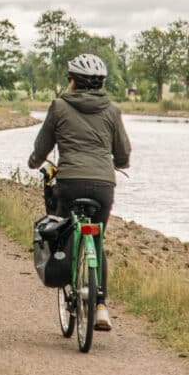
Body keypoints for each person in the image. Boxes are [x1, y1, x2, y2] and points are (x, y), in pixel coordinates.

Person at [27, 53, 130, 331]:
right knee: (97, 240)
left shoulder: (59, 106)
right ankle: (100, 306)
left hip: (70, 182)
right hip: (102, 186)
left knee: (63, 229)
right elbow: (122, 155)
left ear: (72, 81)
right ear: (100, 84)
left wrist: (35, 162)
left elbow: (43, 146)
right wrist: (120, 163)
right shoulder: (112, 111)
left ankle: (67, 277)